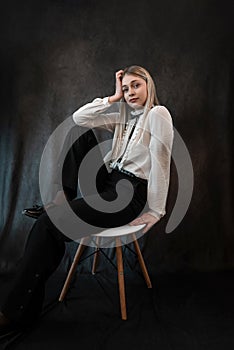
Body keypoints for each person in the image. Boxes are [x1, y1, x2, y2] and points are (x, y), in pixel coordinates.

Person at [0, 65, 174, 335]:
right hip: (108, 183)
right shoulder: (123, 116)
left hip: (128, 194)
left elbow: (161, 162)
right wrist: (113, 98)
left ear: (149, 85)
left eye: (136, 85)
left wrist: (156, 210)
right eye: (126, 88)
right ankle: (63, 198)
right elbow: (80, 118)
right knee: (76, 132)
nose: (130, 92)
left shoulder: (157, 115)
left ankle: (16, 310)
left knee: (48, 226)